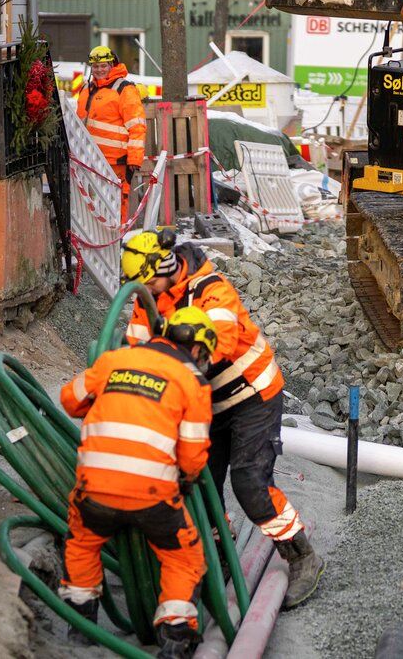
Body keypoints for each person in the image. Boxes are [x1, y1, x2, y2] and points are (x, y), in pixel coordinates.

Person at [120, 229, 325, 608]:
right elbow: (133, 352)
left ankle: (301, 555)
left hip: (252, 396)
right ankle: (219, 554)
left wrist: (168, 367)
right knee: (197, 483)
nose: (141, 293)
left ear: (164, 267)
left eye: (145, 283)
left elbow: (218, 344)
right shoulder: (147, 298)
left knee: (249, 482)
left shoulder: (211, 289)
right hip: (204, 404)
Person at [56, 306, 218, 659]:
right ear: (195, 347)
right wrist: (185, 481)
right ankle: (175, 639)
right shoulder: (193, 383)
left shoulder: (114, 360)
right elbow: (191, 459)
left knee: (82, 544)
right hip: (152, 497)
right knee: (183, 556)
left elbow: (70, 400)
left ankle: (79, 629)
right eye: (204, 355)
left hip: (92, 489)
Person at [77, 45, 146, 224]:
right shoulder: (86, 89)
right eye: (96, 66)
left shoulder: (124, 89)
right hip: (90, 160)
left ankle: (115, 245)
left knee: (117, 204)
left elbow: (137, 127)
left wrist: (134, 160)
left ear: (112, 65)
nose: (99, 70)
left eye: (104, 65)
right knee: (90, 205)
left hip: (117, 162)